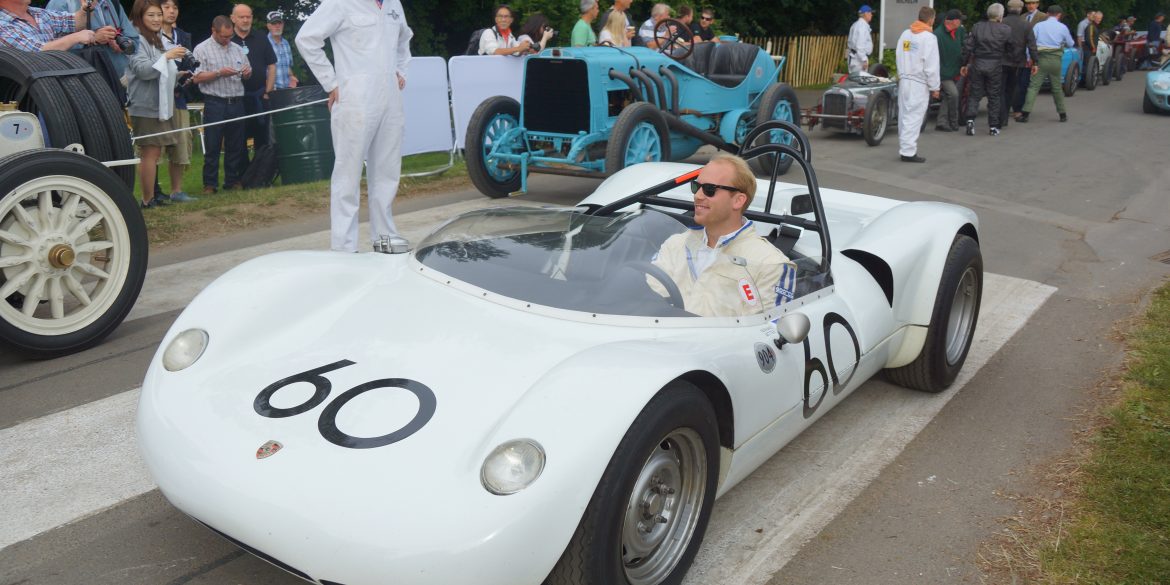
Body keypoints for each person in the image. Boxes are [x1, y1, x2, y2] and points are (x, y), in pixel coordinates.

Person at [297, 0, 412, 253]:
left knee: (387, 171)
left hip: (390, 98)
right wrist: (331, 82)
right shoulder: (340, 2)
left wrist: (401, 70)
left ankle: (385, 238)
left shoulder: (394, 3)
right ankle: (344, 247)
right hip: (354, 98)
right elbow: (306, 39)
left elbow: (404, 38)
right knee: (347, 174)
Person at [650, 154, 796, 317]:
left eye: (709, 189)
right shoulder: (675, 244)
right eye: (695, 187)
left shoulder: (771, 265)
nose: (697, 195)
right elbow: (645, 299)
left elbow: (765, 333)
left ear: (738, 201)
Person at [125, 0, 186, 208]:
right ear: (140, 17)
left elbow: (162, 71)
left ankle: (154, 195)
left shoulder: (158, 38)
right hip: (144, 105)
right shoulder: (135, 39)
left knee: (156, 151)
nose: (157, 19)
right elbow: (142, 70)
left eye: (158, 15)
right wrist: (167, 56)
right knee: (149, 152)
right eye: (151, 15)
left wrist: (178, 75)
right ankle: (147, 200)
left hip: (161, 104)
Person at [191, 15, 250, 194]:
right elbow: (196, 77)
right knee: (213, 144)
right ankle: (210, 184)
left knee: (236, 144)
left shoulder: (238, 49)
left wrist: (247, 73)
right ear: (213, 31)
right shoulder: (201, 49)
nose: (227, 40)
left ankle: (232, 180)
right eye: (223, 36)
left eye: (230, 36)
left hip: (236, 101)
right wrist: (218, 73)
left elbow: (248, 71)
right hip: (215, 102)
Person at [156, 0, 196, 204]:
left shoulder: (183, 36)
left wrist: (188, 76)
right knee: (155, 145)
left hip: (179, 96)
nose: (171, 11)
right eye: (167, 7)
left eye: (175, 7)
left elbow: (191, 63)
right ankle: (153, 192)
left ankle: (176, 191)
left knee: (182, 141)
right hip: (155, 98)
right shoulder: (148, 36)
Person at [45, 0, 138, 78]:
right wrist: (94, 38)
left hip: (120, 80)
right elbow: (51, 51)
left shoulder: (112, 2)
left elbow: (135, 40)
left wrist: (122, 43)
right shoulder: (60, 3)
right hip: (86, 84)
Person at [895, 6, 940, 163]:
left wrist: (901, 74)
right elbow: (931, 65)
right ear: (930, 20)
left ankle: (904, 147)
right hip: (918, 83)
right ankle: (908, 151)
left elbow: (899, 55)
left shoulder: (906, 35)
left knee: (904, 115)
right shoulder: (929, 38)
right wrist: (935, 87)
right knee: (914, 117)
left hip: (905, 79)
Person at [961, 3, 1012, 136]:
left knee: (974, 94)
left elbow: (968, 47)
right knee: (994, 96)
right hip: (995, 64)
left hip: (978, 62)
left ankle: (970, 120)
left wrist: (964, 63)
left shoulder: (977, 27)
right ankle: (993, 126)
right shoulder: (1005, 29)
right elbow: (1011, 47)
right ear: (1000, 15)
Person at [1019, 5, 1075, 123]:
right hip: (1055, 60)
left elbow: (1031, 43)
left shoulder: (1039, 26)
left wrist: (1030, 58)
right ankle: (1062, 114)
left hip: (1041, 59)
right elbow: (1070, 43)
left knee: (1034, 87)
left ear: (1047, 13)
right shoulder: (1063, 27)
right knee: (1057, 88)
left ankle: (1025, 114)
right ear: (1059, 15)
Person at [230, 4, 276, 149]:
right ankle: (242, 172)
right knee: (238, 140)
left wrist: (268, 91)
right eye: (241, 17)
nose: (245, 20)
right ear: (233, 18)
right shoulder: (227, 39)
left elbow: (272, 65)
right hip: (236, 99)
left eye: (248, 17)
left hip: (260, 97)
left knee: (262, 140)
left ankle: (260, 171)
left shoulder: (261, 37)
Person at [0, 0, 113, 52]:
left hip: (53, 86)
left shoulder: (38, 13)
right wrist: (75, 38)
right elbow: (37, 54)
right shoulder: (2, 25)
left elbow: (74, 22)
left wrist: (87, 9)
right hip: (28, 96)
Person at [1002, 0, 1034, 125]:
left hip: (1001, 60)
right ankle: (1013, 112)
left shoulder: (1002, 22)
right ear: (1021, 9)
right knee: (1014, 87)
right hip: (1017, 61)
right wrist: (1034, 61)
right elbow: (1032, 45)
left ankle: (1001, 114)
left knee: (1001, 88)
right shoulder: (1026, 25)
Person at [934, 9, 966, 132]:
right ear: (954, 21)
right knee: (953, 94)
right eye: (960, 20)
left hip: (956, 70)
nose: (962, 23)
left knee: (949, 96)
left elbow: (965, 44)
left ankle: (941, 122)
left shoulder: (959, 30)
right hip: (943, 73)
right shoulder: (937, 35)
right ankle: (954, 122)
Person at [266, 10, 297, 89]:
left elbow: (288, 66)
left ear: (283, 25)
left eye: (279, 23)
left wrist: (291, 76)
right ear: (268, 26)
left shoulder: (286, 43)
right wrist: (267, 91)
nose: (277, 26)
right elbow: (259, 70)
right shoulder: (263, 43)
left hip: (286, 90)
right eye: (274, 23)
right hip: (270, 91)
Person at [848, 5, 874, 73]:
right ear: (865, 14)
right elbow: (860, 45)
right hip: (858, 60)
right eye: (870, 13)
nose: (871, 15)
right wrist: (864, 59)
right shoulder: (862, 26)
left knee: (854, 81)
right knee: (860, 81)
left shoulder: (855, 24)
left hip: (854, 56)